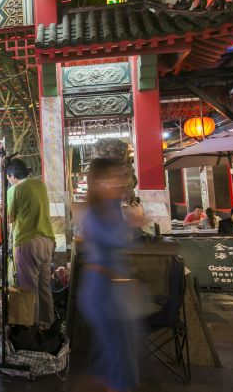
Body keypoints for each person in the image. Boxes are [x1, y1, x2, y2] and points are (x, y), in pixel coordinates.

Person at [78, 158, 141, 392]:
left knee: (115, 354)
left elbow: (123, 243)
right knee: (118, 355)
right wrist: (132, 224)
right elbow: (114, 239)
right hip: (101, 289)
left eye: (119, 177)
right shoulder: (95, 212)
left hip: (114, 288)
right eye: (111, 177)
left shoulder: (110, 207)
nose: (118, 182)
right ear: (98, 182)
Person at [7, 157, 55, 326]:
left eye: (8, 177)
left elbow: (9, 217)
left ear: (12, 176)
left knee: (29, 291)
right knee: (44, 288)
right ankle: (48, 327)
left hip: (28, 243)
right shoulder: (40, 184)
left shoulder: (15, 189)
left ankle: (31, 332)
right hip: (47, 241)